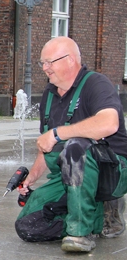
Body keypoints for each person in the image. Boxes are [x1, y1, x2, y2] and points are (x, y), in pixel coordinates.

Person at [15, 36, 127, 253]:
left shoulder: (96, 83)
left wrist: (58, 133)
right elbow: (47, 145)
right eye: (42, 63)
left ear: (71, 60)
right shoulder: (49, 94)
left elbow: (110, 123)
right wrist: (31, 178)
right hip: (70, 174)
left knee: (75, 146)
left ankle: (80, 233)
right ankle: (97, 215)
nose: (45, 68)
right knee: (28, 226)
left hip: (111, 171)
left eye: (50, 62)